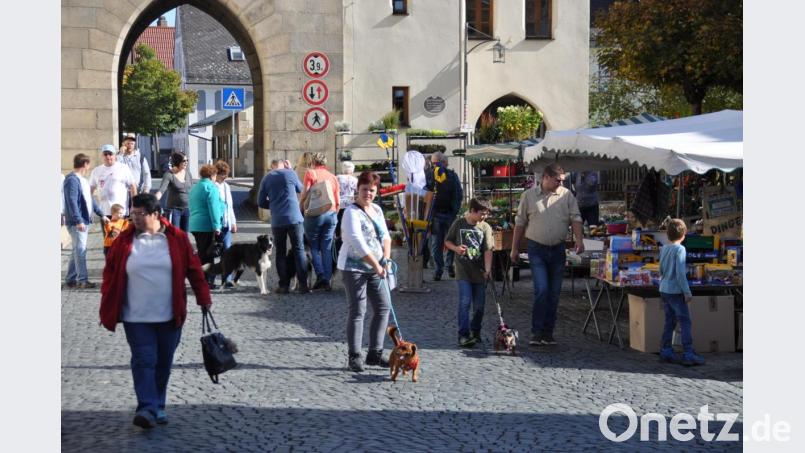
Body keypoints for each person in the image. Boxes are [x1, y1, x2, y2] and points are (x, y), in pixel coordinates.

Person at [99, 193, 212, 429]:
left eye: (140, 214)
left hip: (169, 314)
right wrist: (107, 300)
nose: (135, 219)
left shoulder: (177, 238)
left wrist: (204, 298)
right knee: (144, 359)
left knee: (162, 362)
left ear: (156, 215)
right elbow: (110, 271)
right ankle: (147, 407)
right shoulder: (124, 241)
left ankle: (158, 404)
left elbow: (195, 271)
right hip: (135, 315)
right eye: (133, 214)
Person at [510, 163, 584, 347]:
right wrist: (514, 248)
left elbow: (576, 218)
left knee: (554, 293)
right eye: (558, 180)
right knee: (542, 290)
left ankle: (548, 333)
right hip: (537, 248)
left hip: (558, 249)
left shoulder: (566, 195)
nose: (561, 183)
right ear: (545, 177)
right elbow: (519, 224)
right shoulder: (528, 196)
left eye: (562, 181)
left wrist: (579, 240)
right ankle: (537, 332)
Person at [338, 171, 392, 372]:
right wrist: (376, 265)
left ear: (376, 191)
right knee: (358, 310)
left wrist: (385, 259)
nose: (368, 193)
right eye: (364, 190)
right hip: (354, 268)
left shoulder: (377, 209)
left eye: (371, 190)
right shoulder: (351, 212)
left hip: (378, 268)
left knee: (383, 308)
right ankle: (354, 356)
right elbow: (357, 242)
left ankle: (375, 353)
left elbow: (386, 236)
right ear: (357, 189)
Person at [444, 198, 495, 348]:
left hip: (479, 272)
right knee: (465, 302)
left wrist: (487, 269)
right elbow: (447, 241)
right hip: (463, 271)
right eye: (482, 214)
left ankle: (476, 331)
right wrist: (456, 249)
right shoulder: (459, 223)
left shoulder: (485, 227)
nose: (484, 217)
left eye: (486, 214)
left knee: (479, 306)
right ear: (472, 211)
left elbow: (487, 249)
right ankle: (463, 335)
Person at [257, 159, 310, 294]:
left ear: (272, 167)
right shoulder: (290, 174)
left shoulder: (266, 179)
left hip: (277, 220)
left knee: (280, 252)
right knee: (299, 250)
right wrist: (291, 170)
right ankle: (303, 285)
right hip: (294, 218)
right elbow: (301, 189)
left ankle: (284, 285)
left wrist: (274, 205)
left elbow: (260, 202)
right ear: (283, 165)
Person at [659, 219, 705, 366]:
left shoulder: (664, 248)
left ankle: (666, 350)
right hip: (676, 291)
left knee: (669, 321)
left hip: (664, 288)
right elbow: (680, 273)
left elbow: (660, 268)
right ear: (684, 234)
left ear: (667, 235)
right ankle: (688, 353)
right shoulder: (680, 249)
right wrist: (687, 292)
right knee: (685, 322)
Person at [63, 153, 107, 289]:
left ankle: (70, 279)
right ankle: (82, 280)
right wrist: (78, 220)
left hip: (84, 220)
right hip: (78, 222)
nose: (89, 167)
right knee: (81, 250)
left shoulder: (82, 179)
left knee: (77, 250)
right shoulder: (72, 179)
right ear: (85, 164)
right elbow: (71, 202)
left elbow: (90, 200)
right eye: (89, 164)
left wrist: (101, 214)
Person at [300, 153, 340, 291]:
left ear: (313, 161)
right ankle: (328, 281)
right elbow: (337, 200)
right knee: (327, 247)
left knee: (314, 246)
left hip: (315, 214)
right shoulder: (333, 177)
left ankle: (321, 275)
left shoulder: (310, 173)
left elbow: (305, 193)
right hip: (331, 213)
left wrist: (301, 206)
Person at [188, 164, 224, 289]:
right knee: (208, 255)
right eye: (215, 175)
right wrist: (217, 226)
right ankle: (206, 281)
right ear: (212, 175)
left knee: (202, 253)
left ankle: (202, 280)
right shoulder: (211, 188)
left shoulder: (195, 187)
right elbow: (214, 209)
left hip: (195, 224)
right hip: (206, 225)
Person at [429, 151, 463, 280]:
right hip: (436, 215)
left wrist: (455, 210)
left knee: (450, 242)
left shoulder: (452, 176)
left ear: (444, 163)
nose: (435, 166)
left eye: (437, 163)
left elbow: (458, 193)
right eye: (433, 164)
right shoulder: (430, 175)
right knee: (436, 244)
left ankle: (449, 267)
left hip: (449, 214)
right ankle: (439, 270)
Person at [90, 144, 137, 217]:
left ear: (115, 156)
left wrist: (134, 205)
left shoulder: (123, 168)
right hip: (104, 213)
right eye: (105, 154)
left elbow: (132, 186)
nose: (108, 156)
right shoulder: (96, 171)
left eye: (110, 154)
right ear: (101, 156)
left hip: (120, 212)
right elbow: (90, 190)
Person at [156, 153, 194, 232]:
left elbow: (192, 190)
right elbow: (161, 190)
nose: (186, 162)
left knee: (185, 235)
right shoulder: (169, 175)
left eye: (187, 160)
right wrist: (153, 201)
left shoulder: (188, 173)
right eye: (184, 161)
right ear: (177, 162)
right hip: (174, 210)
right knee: (174, 233)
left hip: (187, 209)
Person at [214, 160, 238, 287]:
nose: (225, 176)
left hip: (227, 224)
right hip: (216, 224)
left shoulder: (226, 186)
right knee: (213, 252)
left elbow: (230, 207)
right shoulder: (213, 186)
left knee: (227, 253)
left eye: (226, 174)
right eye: (223, 173)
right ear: (217, 173)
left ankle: (227, 278)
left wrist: (233, 222)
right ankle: (211, 279)